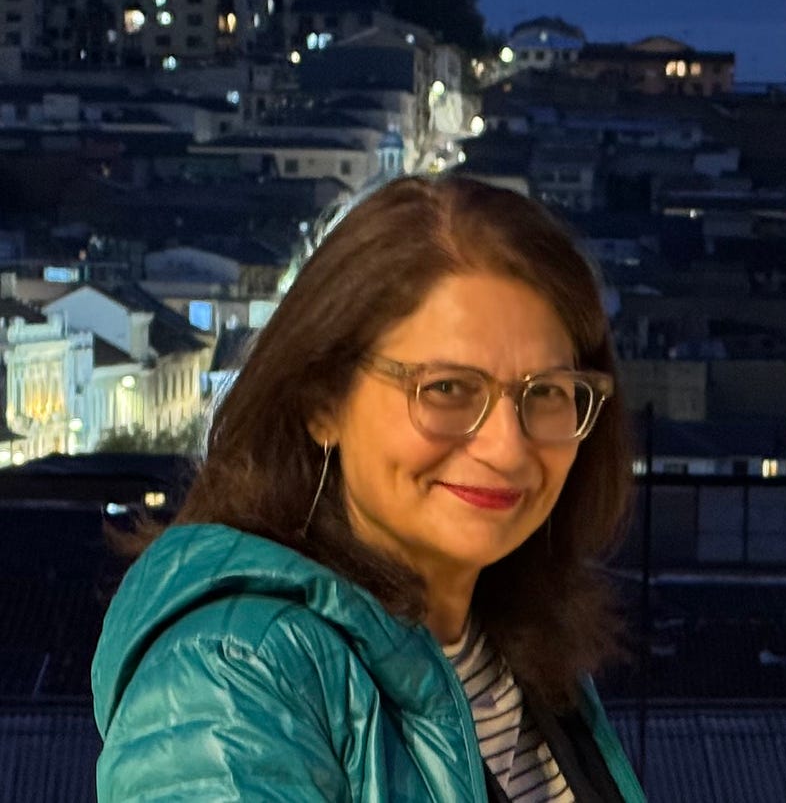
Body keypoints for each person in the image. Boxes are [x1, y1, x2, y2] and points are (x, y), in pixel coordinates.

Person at [92, 174, 646, 802]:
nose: (508, 447)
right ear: (322, 402)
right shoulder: (230, 682)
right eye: (445, 389)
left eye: (545, 392)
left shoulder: (520, 654)